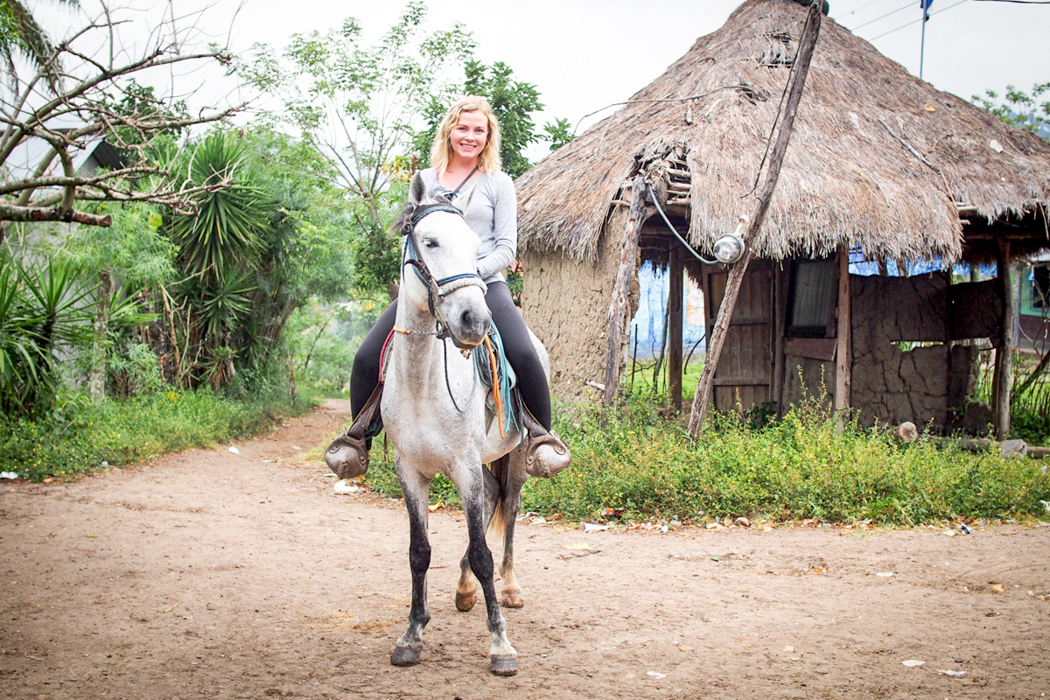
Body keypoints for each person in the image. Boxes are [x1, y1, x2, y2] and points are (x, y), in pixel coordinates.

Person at [327, 96, 569, 478]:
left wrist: (467, 277)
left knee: (524, 353)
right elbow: (412, 242)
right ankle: (359, 441)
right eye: (463, 128)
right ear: (449, 131)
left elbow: (506, 247)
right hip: (429, 290)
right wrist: (430, 282)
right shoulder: (425, 180)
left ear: (489, 137)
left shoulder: (498, 183)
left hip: (484, 284)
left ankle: (541, 438)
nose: (470, 137)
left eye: (479, 130)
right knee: (365, 356)